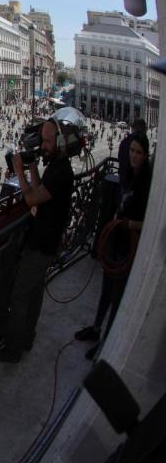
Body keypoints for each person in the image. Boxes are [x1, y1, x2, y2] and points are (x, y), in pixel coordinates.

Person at [0, 111, 78, 363]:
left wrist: (19, 171)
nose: (44, 146)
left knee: (20, 294)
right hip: (48, 240)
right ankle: (27, 336)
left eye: (48, 141)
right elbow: (42, 189)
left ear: (61, 143)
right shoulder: (58, 167)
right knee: (35, 291)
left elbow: (31, 198)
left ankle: (13, 348)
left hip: (41, 242)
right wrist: (31, 166)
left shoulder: (62, 172)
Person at [75, 132, 152, 357]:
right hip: (115, 239)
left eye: (138, 152)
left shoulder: (146, 184)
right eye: (132, 151)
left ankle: (107, 343)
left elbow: (149, 221)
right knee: (106, 289)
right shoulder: (127, 174)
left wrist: (130, 224)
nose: (134, 156)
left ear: (145, 155)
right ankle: (97, 328)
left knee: (118, 296)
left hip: (129, 244)